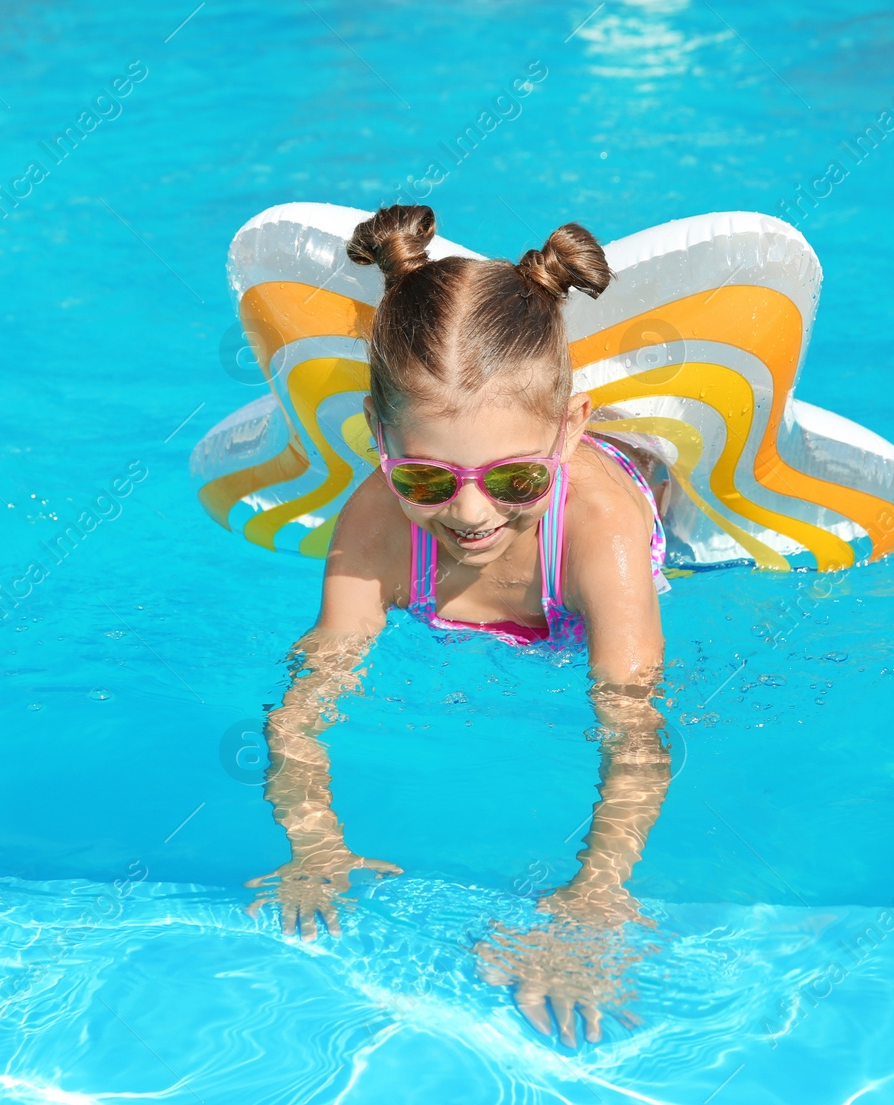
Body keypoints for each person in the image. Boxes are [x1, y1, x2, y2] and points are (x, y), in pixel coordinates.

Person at [245, 204, 672, 1047]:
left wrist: (597, 895)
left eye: (513, 477)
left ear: (570, 429)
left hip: (623, 515)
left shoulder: (599, 532)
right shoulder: (374, 519)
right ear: (377, 443)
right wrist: (314, 837)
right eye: (428, 478)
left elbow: (634, 727)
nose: (472, 511)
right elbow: (308, 696)